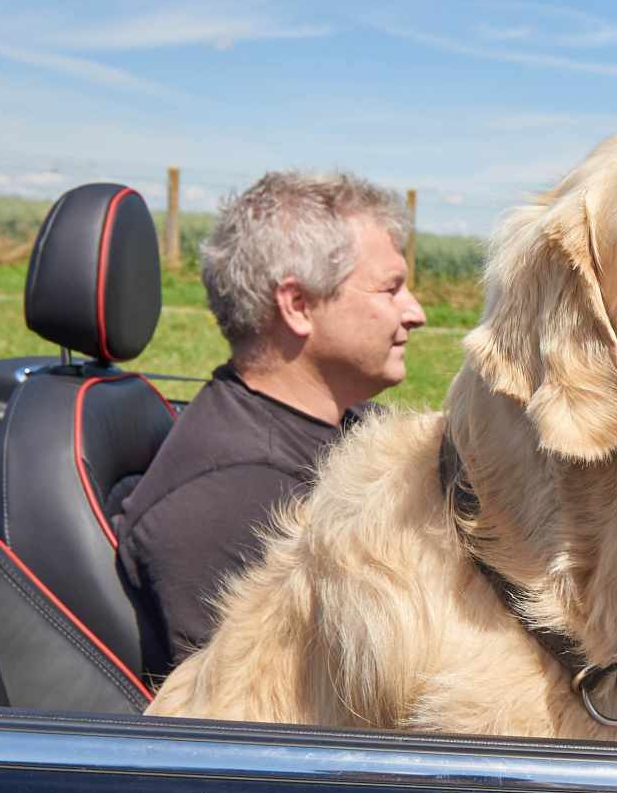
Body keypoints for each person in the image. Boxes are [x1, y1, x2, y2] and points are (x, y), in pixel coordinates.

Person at [118, 171, 426, 677]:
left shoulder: (347, 427)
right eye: (391, 289)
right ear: (298, 305)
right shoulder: (230, 499)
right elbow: (254, 720)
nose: (415, 312)